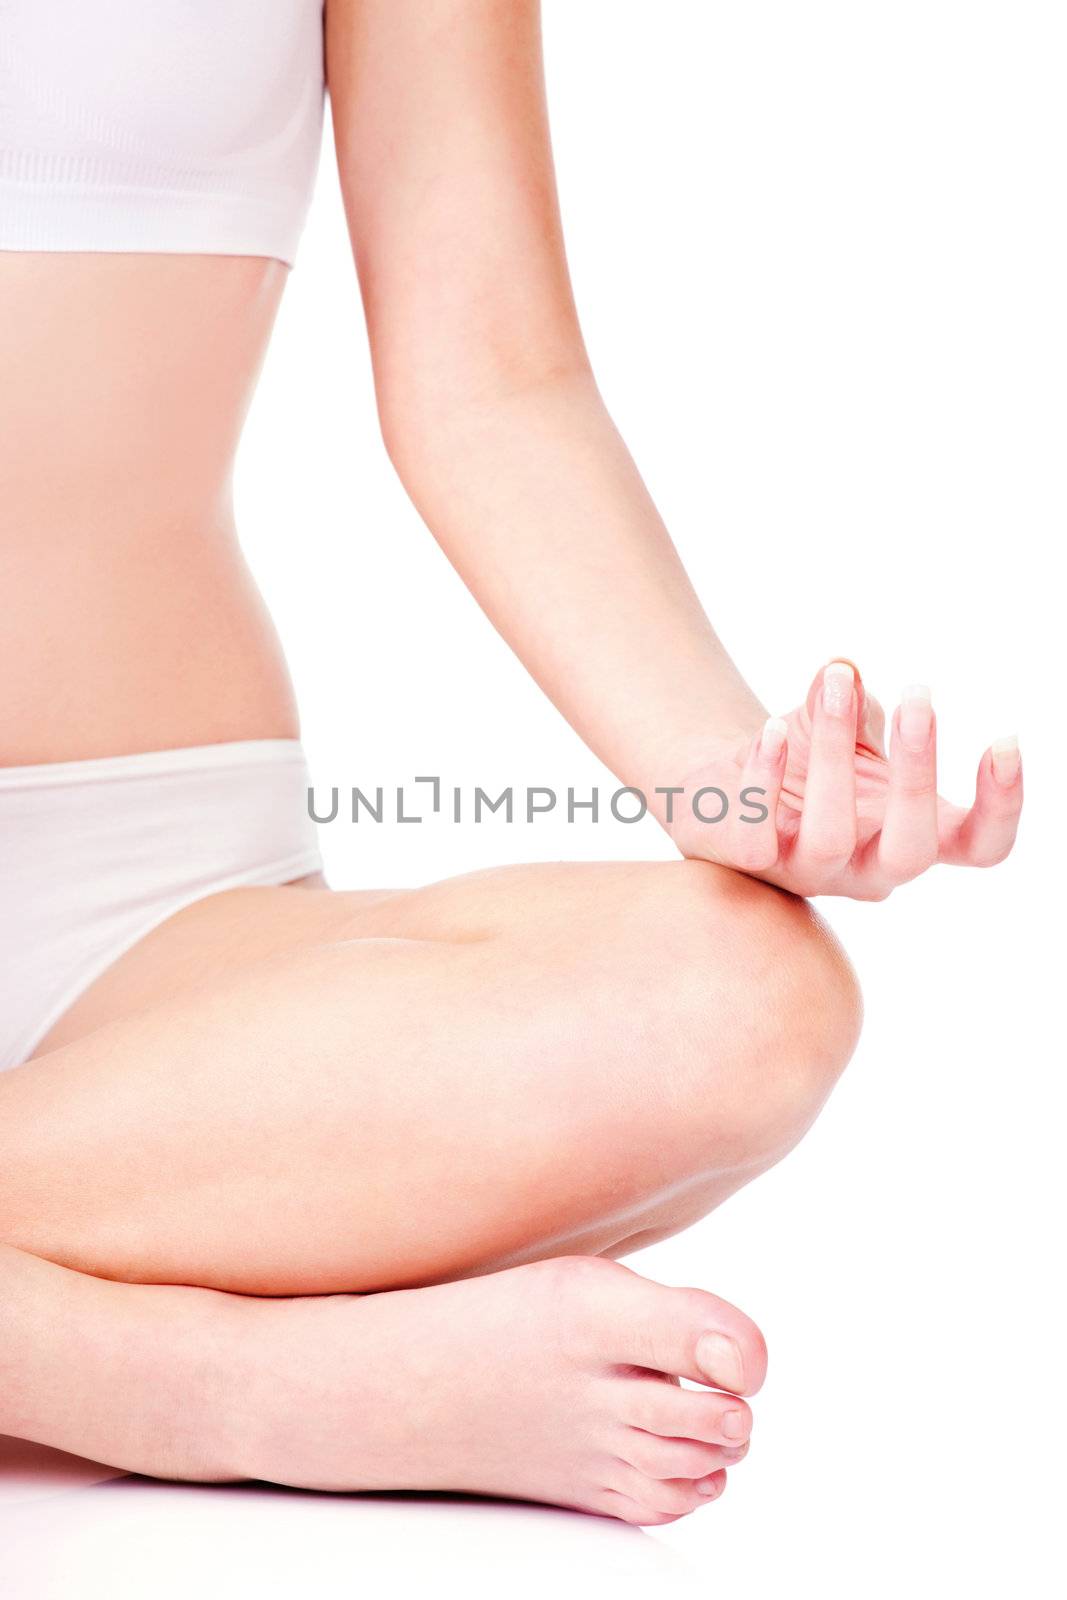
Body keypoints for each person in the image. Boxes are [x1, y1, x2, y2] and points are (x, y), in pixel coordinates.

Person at [0, 1, 1021, 1525]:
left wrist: (742, 787)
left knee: (742, 1004)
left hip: (145, 919)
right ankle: (214, 1382)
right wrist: (226, 1385)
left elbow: (493, 377)